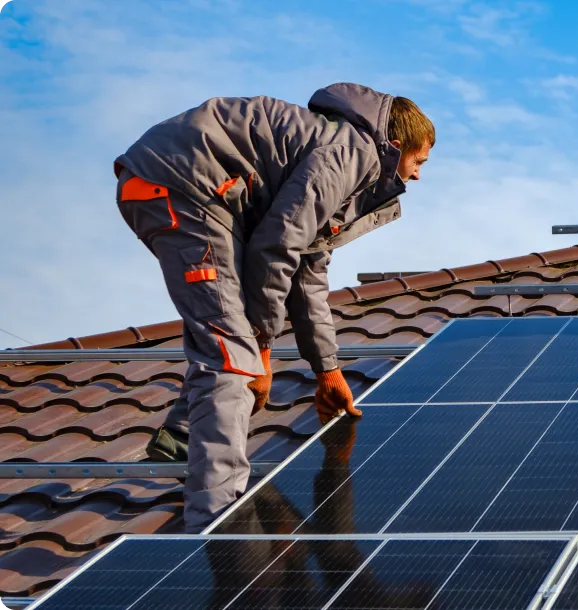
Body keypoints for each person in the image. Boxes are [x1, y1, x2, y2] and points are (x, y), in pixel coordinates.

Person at [113, 82, 434, 533]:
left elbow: (307, 274)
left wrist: (328, 370)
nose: (418, 176)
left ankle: (182, 435)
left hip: (189, 188)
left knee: (225, 321)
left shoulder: (342, 163)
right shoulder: (350, 154)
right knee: (233, 353)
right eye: (419, 162)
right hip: (188, 185)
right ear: (395, 146)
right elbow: (277, 245)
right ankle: (221, 525)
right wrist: (262, 348)